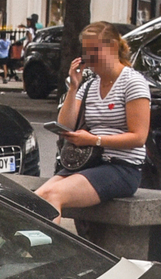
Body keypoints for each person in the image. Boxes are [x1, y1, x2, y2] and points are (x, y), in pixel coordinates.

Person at [34, 21, 150, 226]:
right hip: (88, 163)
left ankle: (47, 253)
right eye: (86, 51)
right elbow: (66, 124)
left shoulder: (132, 82)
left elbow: (139, 137)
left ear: (113, 47)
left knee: (53, 195)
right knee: (37, 197)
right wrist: (73, 87)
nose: (90, 57)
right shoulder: (89, 86)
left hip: (120, 167)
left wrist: (95, 140)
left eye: (95, 50)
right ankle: (35, 251)